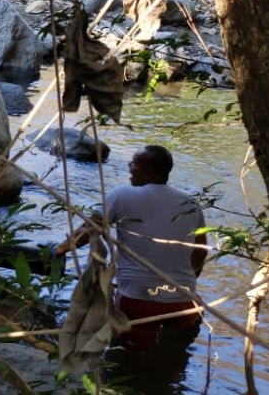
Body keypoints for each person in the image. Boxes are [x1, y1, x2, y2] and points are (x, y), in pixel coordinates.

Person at [57, 145, 208, 352]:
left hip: (137, 301)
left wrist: (59, 251)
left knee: (134, 355)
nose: (129, 167)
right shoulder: (191, 204)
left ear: (149, 173)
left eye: (134, 163)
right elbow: (200, 252)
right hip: (182, 302)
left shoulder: (122, 195)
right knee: (177, 348)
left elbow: (87, 232)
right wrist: (182, 283)